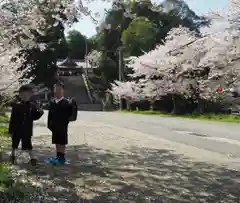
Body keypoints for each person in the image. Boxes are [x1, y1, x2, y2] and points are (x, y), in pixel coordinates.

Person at [8, 84, 44, 165]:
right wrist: (10, 130)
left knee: (28, 145)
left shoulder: (32, 105)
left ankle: (33, 158)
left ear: (30, 95)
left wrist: (40, 112)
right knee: (14, 143)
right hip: (17, 129)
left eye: (27, 94)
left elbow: (34, 117)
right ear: (20, 95)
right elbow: (12, 119)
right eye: (23, 94)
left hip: (27, 129)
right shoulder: (16, 105)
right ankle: (13, 155)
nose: (25, 96)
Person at [47, 80, 73, 164]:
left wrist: (73, 105)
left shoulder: (66, 102)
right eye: (55, 89)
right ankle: (57, 157)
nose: (57, 91)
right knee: (56, 141)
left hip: (62, 126)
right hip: (54, 125)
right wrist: (49, 124)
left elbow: (71, 115)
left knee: (62, 142)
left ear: (62, 90)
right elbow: (50, 114)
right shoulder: (53, 102)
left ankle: (62, 158)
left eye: (59, 89)